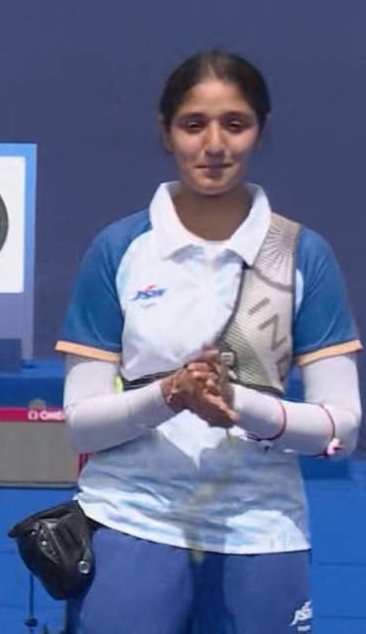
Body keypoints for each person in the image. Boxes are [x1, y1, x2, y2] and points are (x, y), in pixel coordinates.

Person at [55, 50, 362, 633]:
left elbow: (342, 429)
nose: (214, 144)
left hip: (261, 530)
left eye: (235, 124)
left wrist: (236, 406)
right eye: (194, 124)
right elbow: (80, 425)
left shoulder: (301, 254)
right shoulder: (119, 250)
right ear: (166, 133)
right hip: (132, 522)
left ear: (259, 131)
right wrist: (168, 395)